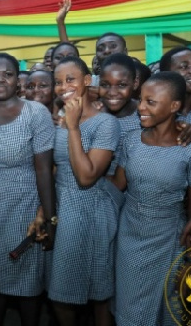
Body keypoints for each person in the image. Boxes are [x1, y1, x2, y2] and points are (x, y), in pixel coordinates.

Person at [112, 72, 191, 326]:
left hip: (169, 237)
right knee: (129, 307)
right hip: (130, 233)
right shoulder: (131, 140)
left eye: (150, 102)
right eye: (141, 99)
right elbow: (118, 185)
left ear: (174, 106)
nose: (141, 107)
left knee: (168, 306)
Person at [0, 53, 55, 326]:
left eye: (8, 74)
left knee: (26, 276)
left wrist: (50, 219)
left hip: (24, 206)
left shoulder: (35, 113)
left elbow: (43, 170)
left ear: (18, 80)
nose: (0, 79)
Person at [47, 56, 119, 326]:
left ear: (87, 81)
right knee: (61, 294)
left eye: (70, 79)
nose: (62, 86)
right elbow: (57, 167)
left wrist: (74, 126)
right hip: (65, 208)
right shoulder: (61, 118)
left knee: (99, 295)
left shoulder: (105, 124)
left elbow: (87, 175)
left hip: (91, 210)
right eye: (57, 82)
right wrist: (47, 208)